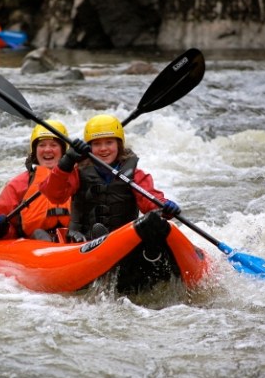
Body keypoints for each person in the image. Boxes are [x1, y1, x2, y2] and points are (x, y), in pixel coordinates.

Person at [38, 114, 182, 292]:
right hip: (82, 243)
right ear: (89, 147)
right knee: (94, 237)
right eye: (97, 144)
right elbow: (54, 194)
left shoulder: (135, 174)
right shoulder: (78, 171)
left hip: (124, 242)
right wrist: (66, 162)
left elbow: (150, 199)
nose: (103, 149)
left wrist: (164, 207)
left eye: (109, 143)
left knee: (154, 226)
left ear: (119, 145)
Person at [0, 120, 71, 242]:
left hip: (73, 239)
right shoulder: (18, 184)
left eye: (53, 145)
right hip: (33, 243)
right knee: (39, 234)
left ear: (63, 150)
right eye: (42, 145)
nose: (47, 150)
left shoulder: (77, 179)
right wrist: (2, 229)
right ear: (35, 151)